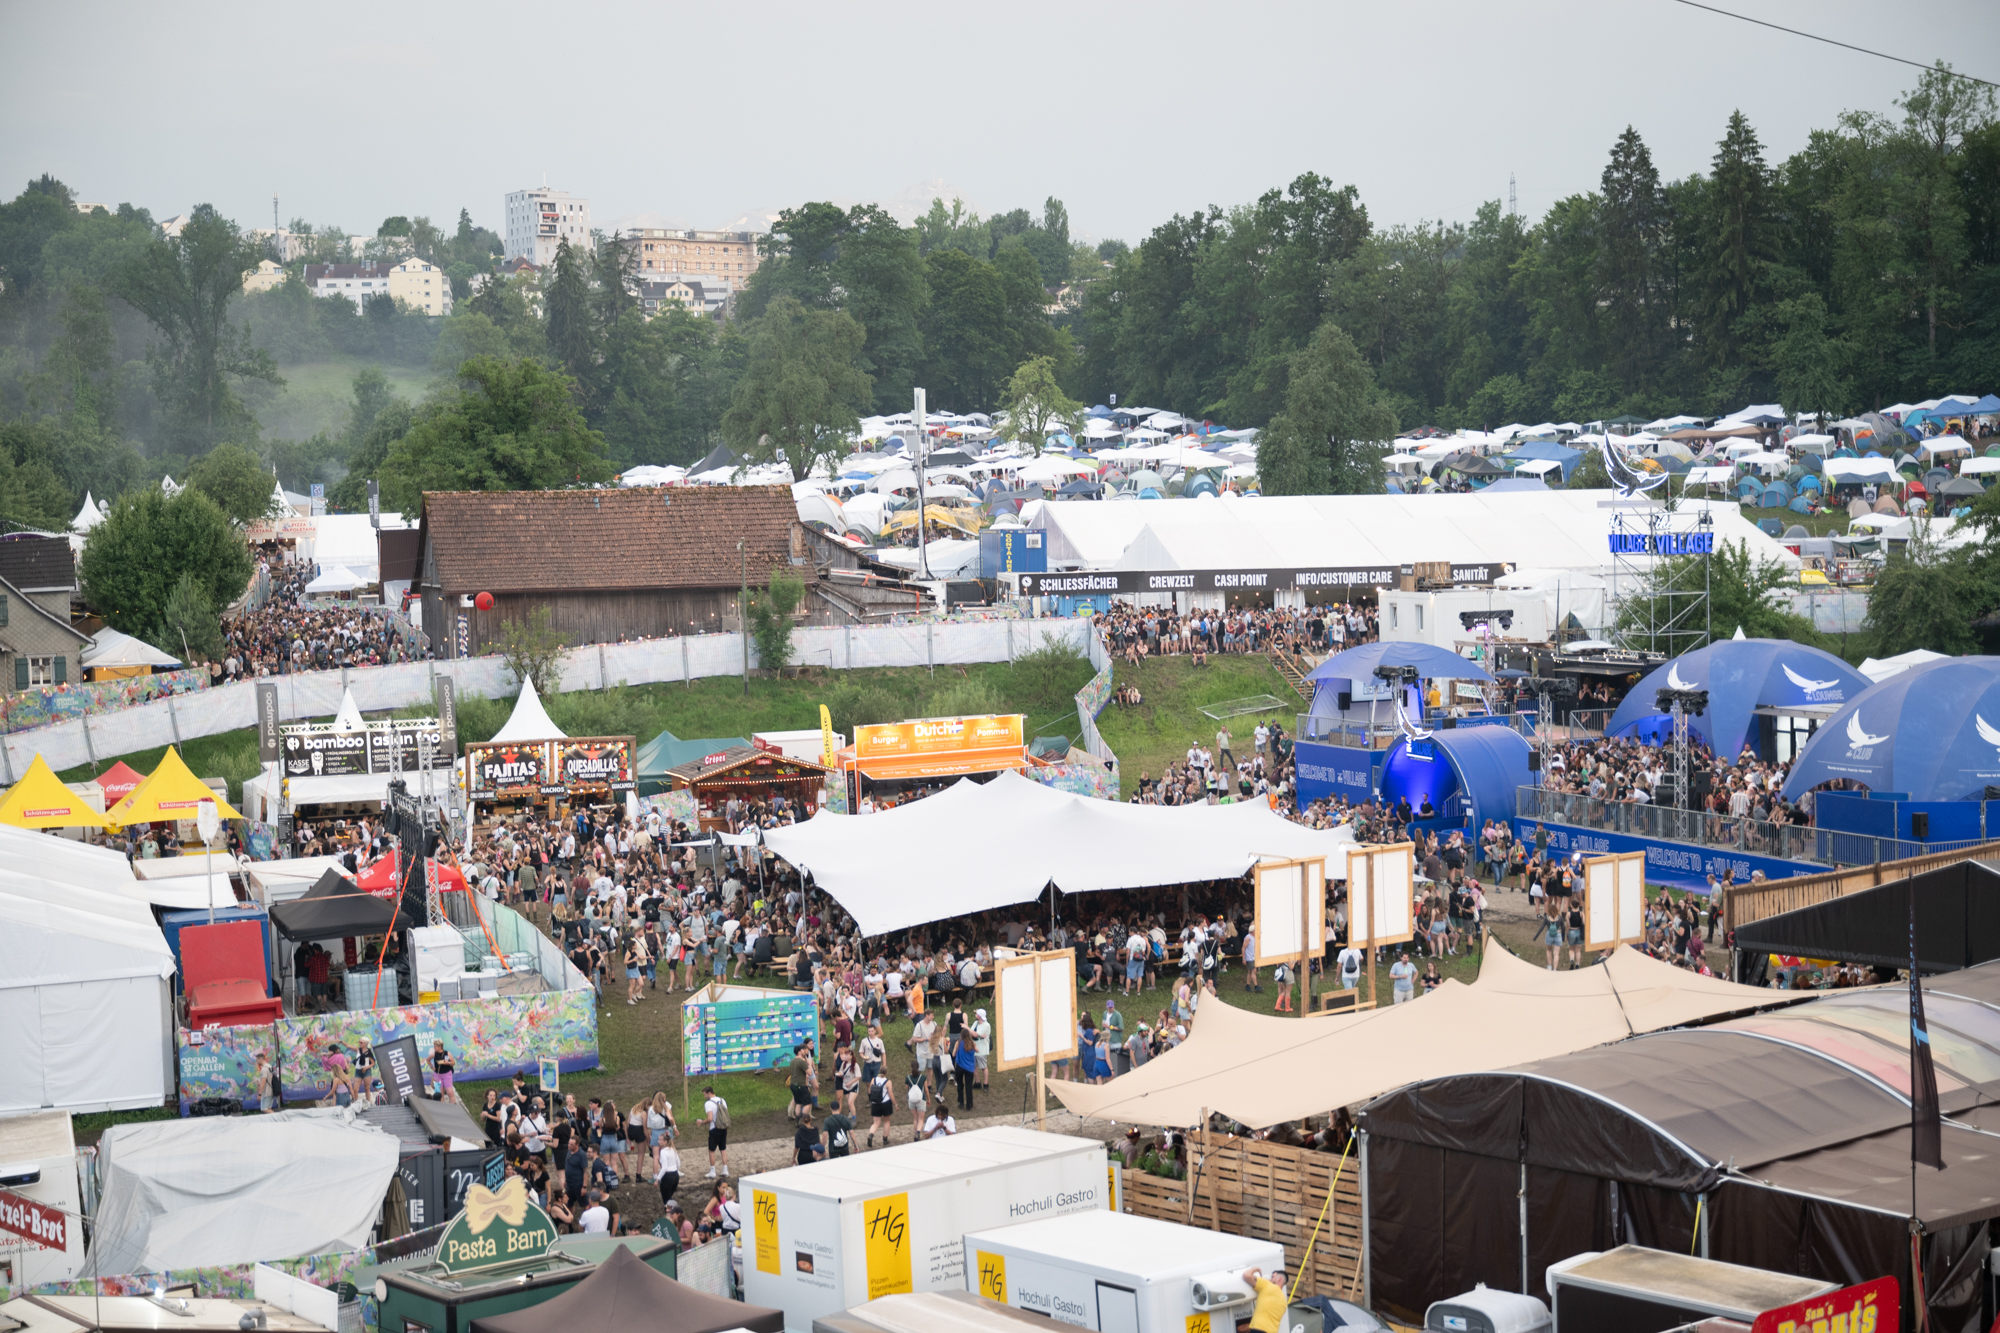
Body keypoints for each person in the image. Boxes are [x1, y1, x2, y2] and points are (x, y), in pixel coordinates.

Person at [1239, 1268, 1288, 1333]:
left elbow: (1246, 1275)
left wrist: (1256, 1268)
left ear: (1279, 1279)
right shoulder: (1283, 1302)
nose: (1270, 1279)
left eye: (1272, 1277)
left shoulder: (1268, 1285)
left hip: (1259, 1330)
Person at [702, 1085, 730, 1178]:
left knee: (711, 1150)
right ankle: (725, 1170)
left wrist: (702, 1122)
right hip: (723, 1127)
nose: (704, 1097)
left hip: (714, 1128)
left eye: (705, 1094)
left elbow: (710, 1118)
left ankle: (713, 1171)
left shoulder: (708, 1103)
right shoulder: (723, 1100)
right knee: (723, 1149)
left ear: (709, 1093)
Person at [866, 1067, 897, 1149]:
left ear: (879, 1071)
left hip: (875, 1103)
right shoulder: (888, 1082)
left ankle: (871, 1134)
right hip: (885, 1103)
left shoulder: (873, 1079)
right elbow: (891, 1094)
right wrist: (896, 1104)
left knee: (876, 1123)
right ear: (886, 1072)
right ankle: (885, 1139)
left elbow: (870, 1090)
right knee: (886, 1121)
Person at [654, 1135, 681, 1207]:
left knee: (666, 1202)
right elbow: (678, 1163)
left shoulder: (663, 1151)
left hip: (667, 1178)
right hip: (675, 1176)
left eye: (660, 1140)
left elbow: (664, 1167)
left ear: (665, 1141)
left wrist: (657, 1179)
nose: (658, 1141)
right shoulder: (673, 1149)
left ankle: (669, 1216)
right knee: (669, 1198)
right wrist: (675, 1171)